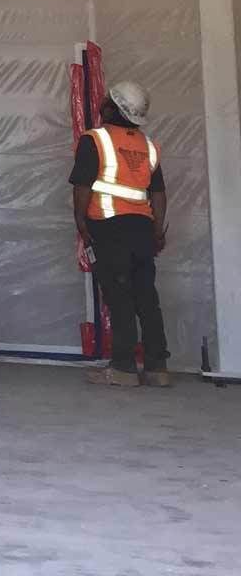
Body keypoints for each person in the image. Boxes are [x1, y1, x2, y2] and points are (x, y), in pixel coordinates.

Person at [69, 79, 170, 388]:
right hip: (141, 229)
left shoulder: (95, 140)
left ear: (110, 107)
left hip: (109, 228)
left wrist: (82, 225)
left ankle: (124, 368)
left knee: (120, 298)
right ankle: (157, 368)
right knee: (146, 298)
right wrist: (156, 231)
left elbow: (82, 189)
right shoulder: (148, 146)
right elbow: (159, 195)